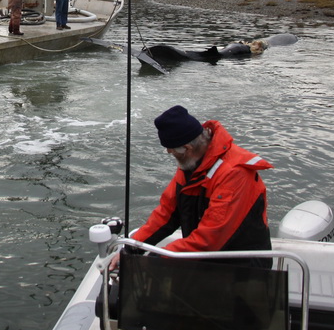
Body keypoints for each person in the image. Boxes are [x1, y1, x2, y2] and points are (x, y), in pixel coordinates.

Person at [110, 105, 273, 270]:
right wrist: (133, 248)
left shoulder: (234, 173)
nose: (171, 155)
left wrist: (156, 259)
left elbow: (209, 239)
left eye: (173, 152)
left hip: (243, 269)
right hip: (204, 262)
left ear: (187, 149)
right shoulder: (190, 166)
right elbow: (166, 214)